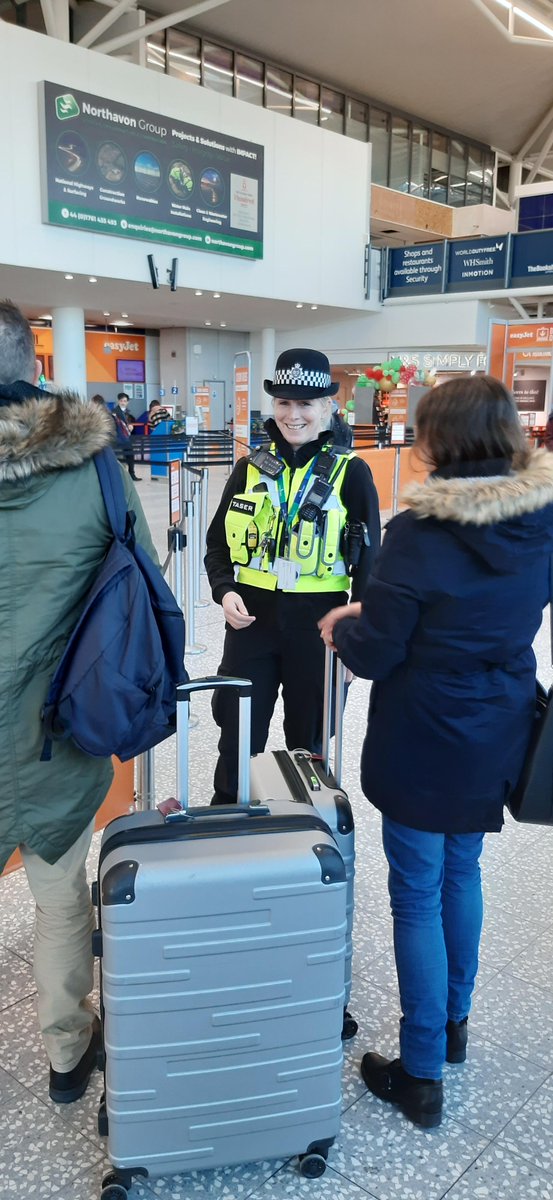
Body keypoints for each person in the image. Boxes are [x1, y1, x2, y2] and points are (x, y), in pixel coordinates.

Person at [318, 375, 553, 1129]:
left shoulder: (417, 534)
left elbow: (381, 651)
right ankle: (452, 1024)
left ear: (435, 442)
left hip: (423, 729)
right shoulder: (540, 520)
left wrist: (343, 626)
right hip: (498, 723)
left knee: (416, 889)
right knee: (463, 871)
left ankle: (419, 1073)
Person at [0, 301, 158, 1104]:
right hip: (57, 731)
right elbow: (142, 567)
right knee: (60, 901)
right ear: (30, 359)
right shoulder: (94, 465)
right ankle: (67, 1057)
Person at [205, 347, 381, 804]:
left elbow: (371, 567)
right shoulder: (249, 468)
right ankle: (228, 824)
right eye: (284, 402)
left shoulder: (352, 473)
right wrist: (224, 592)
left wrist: (355, 645)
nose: (293, 414)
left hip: (319, 627)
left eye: (305, 404)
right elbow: (218, 544)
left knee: (310, 745)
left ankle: (305, 835)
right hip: (250, 623)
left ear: (327, 406)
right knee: (237, 736)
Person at [113, 391, 141, 480]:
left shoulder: (127, 412)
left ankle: (131, 474)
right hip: (118, 437)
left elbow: (127, 423)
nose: (123, 403)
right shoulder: (114, 412)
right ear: (118, 401)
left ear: (127, 402)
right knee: (120, 457)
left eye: (125, 401)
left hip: (126, 437)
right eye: (121, 401)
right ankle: (121, 476)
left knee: (130, 455)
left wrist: (130, 426)